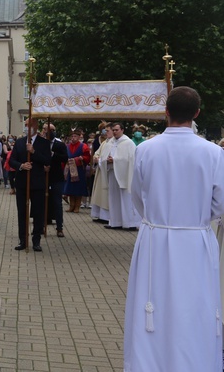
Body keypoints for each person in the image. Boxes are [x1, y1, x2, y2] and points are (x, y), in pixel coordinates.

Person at [124, 86, 224, 371]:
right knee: (194, 306)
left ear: (166, 112)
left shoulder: (145, 149)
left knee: (152, 304)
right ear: (196, 114)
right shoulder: (214, 153)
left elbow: (137, 196)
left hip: (154, 237)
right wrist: (195, 220)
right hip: (196, 240)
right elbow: (220, 203)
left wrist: (157, 219)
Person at [9, 118, 51, 251]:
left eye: (28, 125)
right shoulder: (20, 142)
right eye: (25, 125)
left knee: (38, 213)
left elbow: (47, 160)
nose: (26, 127)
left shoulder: (44, 143)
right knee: (22, 212)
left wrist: (33, 152)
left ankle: (36, 240)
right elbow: (12, 161)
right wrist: (21, 165)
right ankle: (23, 239)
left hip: (37, 183)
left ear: (35, 126)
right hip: (22, 182)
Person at [99, 122, 141, 230]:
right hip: (112, 173)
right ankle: (115, 221)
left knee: (126, 198)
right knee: (113, 197)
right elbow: (102, 157)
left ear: (122, 130)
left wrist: (115, 160)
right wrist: (106, 160)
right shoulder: (109, 142)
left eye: (116, 130)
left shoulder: (128, 143)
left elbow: (131, 159)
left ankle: (130, 223)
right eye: (113, 130)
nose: (114, 132)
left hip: (125, 174)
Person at [43, 122, 68, 237]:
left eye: (52, 130)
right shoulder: (41, 143)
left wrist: (54, 154)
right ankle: (42, 226)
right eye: (47, 130)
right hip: (43, 176)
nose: (49, 132)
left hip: (56, 177)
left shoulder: (60, 145)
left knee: (57, 203)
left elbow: (65, 158)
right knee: (42, 202)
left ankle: (59, 228)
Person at [63, 129, 91, 212]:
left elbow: (88, 157)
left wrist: (82, 158)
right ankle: (71, 206)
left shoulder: (83, 146)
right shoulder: (67, 146)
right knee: (70, 188)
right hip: (70, 170)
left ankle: (77, 207)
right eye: (72, 136)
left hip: (79, 170)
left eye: (75, 136)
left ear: (79, 137)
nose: (73, 138)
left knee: (78, 188)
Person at [90, 123, 112, 224]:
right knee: (99, 194)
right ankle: (99, 214)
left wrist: (100, 160)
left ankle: (106, 217)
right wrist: (96, 157)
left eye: (107, 130)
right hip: (100, 171)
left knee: (105, 195)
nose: (105, 132)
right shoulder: (104, 142)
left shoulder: (113, 143)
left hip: (107, 173)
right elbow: (97, 153)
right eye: (105, 130)